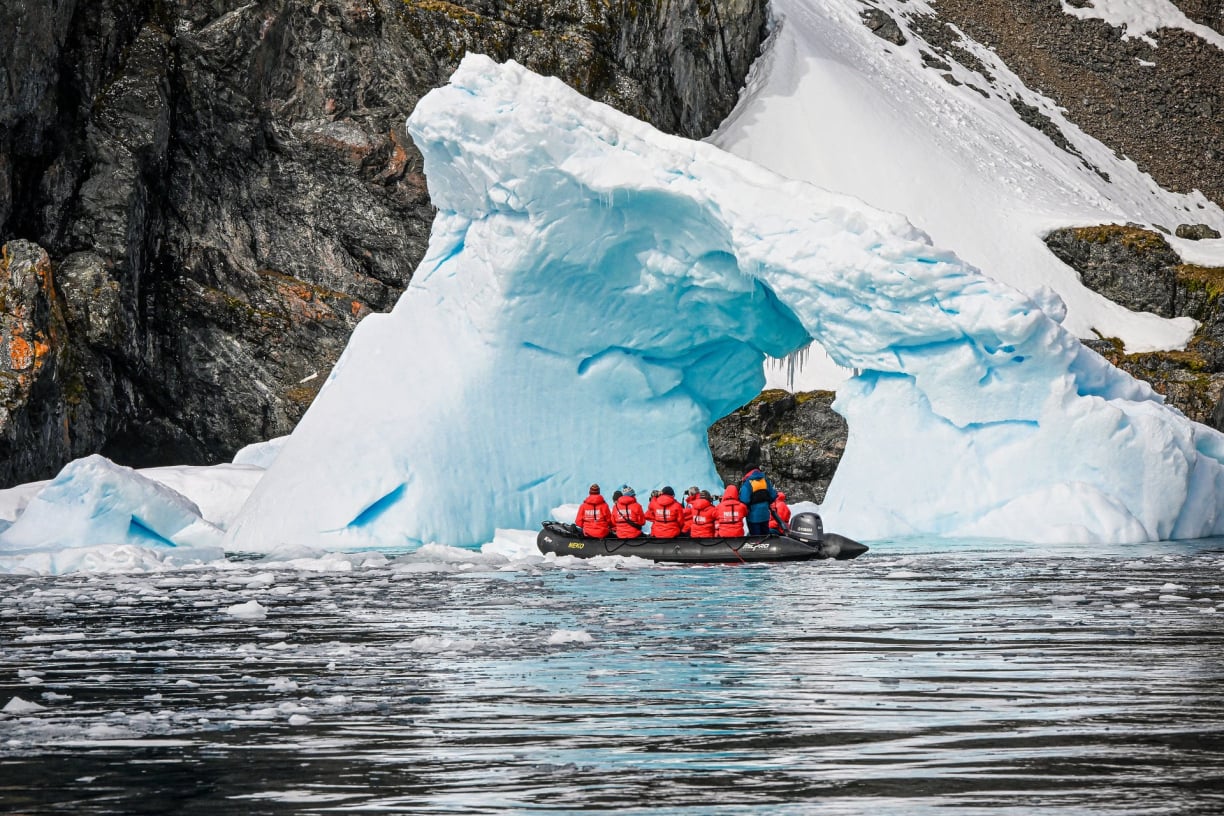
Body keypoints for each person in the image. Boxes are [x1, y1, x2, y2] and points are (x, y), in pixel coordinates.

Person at [739, 465, 778, 535]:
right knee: (765, 537)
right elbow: (773, 495)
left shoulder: (748, 483)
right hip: (765, 515)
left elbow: (745, 500)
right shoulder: (765, 480)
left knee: (755, 538)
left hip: (753, 517)